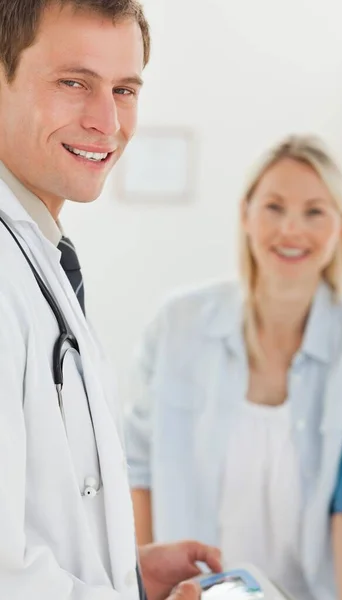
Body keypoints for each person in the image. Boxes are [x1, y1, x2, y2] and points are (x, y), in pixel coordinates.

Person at [0, 1, 221, 599]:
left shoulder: (39, 251)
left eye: (125, 89)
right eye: (74, 83)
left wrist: (125, 570)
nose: (108, 120)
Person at [125, 134, 342, 600]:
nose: (291, 229)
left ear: (341, 228)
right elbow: (138, 474)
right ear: (246, 215)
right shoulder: (179, 325)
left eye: (315, 211)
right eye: (274, 206)